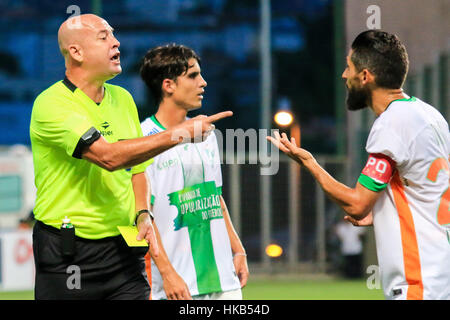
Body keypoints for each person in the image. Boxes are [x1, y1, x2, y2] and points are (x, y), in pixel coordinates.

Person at [29, 14, 231, 300]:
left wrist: (142, 213)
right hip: (69, 254)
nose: (116, 42)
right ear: (76, 52)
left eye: (113, 34)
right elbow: (108, 157)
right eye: (104, 37)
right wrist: (179, 134)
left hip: (124, 251)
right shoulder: (52, 104)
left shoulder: (122, 98)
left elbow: (138, 168)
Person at [268, 30, 450, 300]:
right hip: (441, 277)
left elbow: (356, 204)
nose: (344, 75)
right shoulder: (429, 115)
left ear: (365, 76)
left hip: (417, 284)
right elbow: (427, 191)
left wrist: (310, 164)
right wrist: (384, 212)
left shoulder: (392, 123)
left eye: (349, 67)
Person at [139, 44, 248, 300]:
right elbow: (143, 219)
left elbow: (215, 198)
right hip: (177, 287)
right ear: (168, 85)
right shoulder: (143, 140)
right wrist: (168, 274)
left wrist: (238, 249)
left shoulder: (206, 133)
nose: (203, 82)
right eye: (193, 75)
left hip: (224, 282)